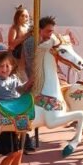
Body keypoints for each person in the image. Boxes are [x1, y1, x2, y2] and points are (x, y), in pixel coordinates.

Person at [20, 15, 56, 152]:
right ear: (39, 30)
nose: (50, 34)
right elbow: (33, 65)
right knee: (29, 103)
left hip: (44, 78)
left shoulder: (49, 42)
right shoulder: (31, 42)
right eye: (48, 31)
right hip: (30, 77)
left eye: (52, 31)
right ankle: (25, 136)